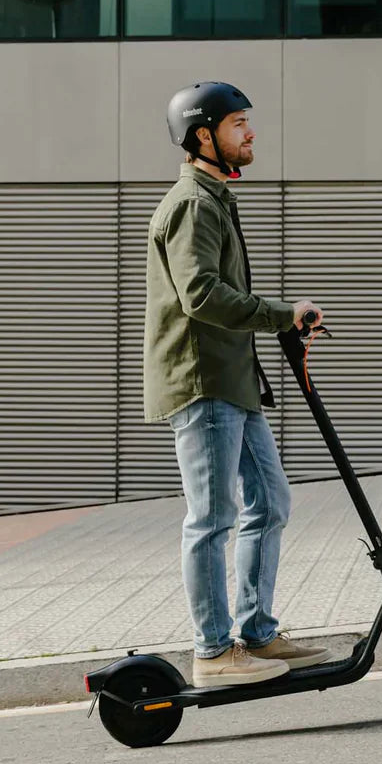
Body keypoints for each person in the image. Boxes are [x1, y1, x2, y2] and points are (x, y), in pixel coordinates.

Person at [144, 81, 333, 688]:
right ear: (204, 136)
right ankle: (212, 651)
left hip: (233, 380)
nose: (250, 133)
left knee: (270, 502)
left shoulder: (217, 198)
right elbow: (200, 296)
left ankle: (256, 635)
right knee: (211, 518)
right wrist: (280, 313)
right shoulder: (193, 203)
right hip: (202, 383)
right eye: (237, 124)